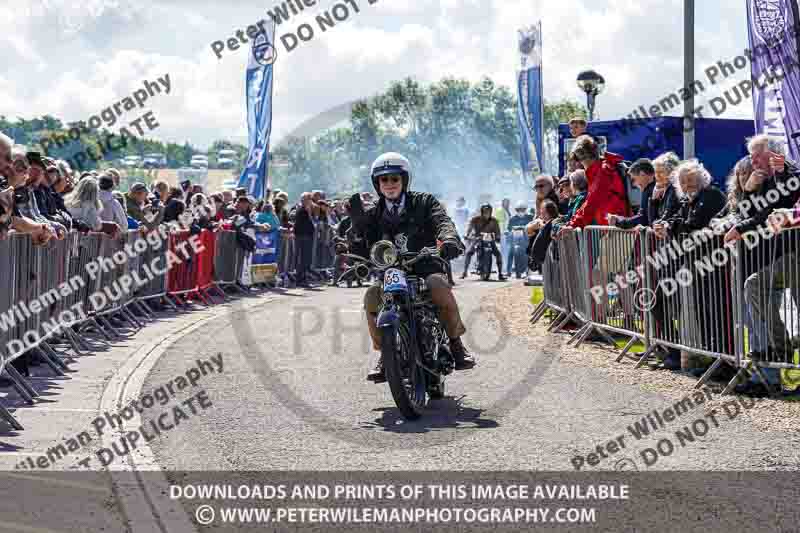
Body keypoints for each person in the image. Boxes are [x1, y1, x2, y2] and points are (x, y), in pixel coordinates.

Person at [346, 152, 475, 382]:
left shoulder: (424, 202)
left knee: (437, 285)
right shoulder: (373, 213)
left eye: (394, 179)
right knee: (372, 296)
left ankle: (456, 345)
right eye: (383, 180)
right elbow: (362, 244)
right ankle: (386, 354)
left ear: (404, 180)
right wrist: (355, 231)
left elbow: (442, 221)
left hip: (424, 264)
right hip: (391, 270)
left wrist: (449, 240)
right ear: (377, 184)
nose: (389, 184)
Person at [555, 135, 630, 237]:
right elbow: (588, 203)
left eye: (577, 158)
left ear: (580, 157)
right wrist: (571, 224)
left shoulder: (603, 172)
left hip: (616, 230)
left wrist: (571, 226)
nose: (577, 164)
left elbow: (591, 204)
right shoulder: (601, 170)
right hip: (612, 229)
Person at [607, 158, 656, 229]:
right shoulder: (647, 189)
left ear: (642, 174)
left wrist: (619, 222)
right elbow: (642, 216)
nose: (635, 184)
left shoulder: (652, 188)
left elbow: (643, 218)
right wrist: (621, 220)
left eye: (634, 179)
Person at [462, 203, 504, 281]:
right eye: (485, 211)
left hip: (490, 240)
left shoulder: (494, 221)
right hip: (478, 239)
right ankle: (464, 272)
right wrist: (467, 235)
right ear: (482, 211)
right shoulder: (475, 219)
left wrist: (498, 237)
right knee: (469, 253)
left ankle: (500, 274)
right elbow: (469, 228)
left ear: (491, 211)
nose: (487, 213)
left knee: (498, 254)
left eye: (488, 211)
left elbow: (497, 231)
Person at [506, 201, 533, 277]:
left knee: (530, 252)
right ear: (516, 210)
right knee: (510, 252)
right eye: (518, 210)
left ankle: (529, 269)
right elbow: (508, 229)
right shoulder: (512, 219)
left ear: (525, 209)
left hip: (526, 239)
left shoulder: (529, 217)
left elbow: (533, 226)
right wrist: (507, 232)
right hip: (515, 240)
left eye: (522, 209)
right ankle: (508, 271)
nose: (520, 211)